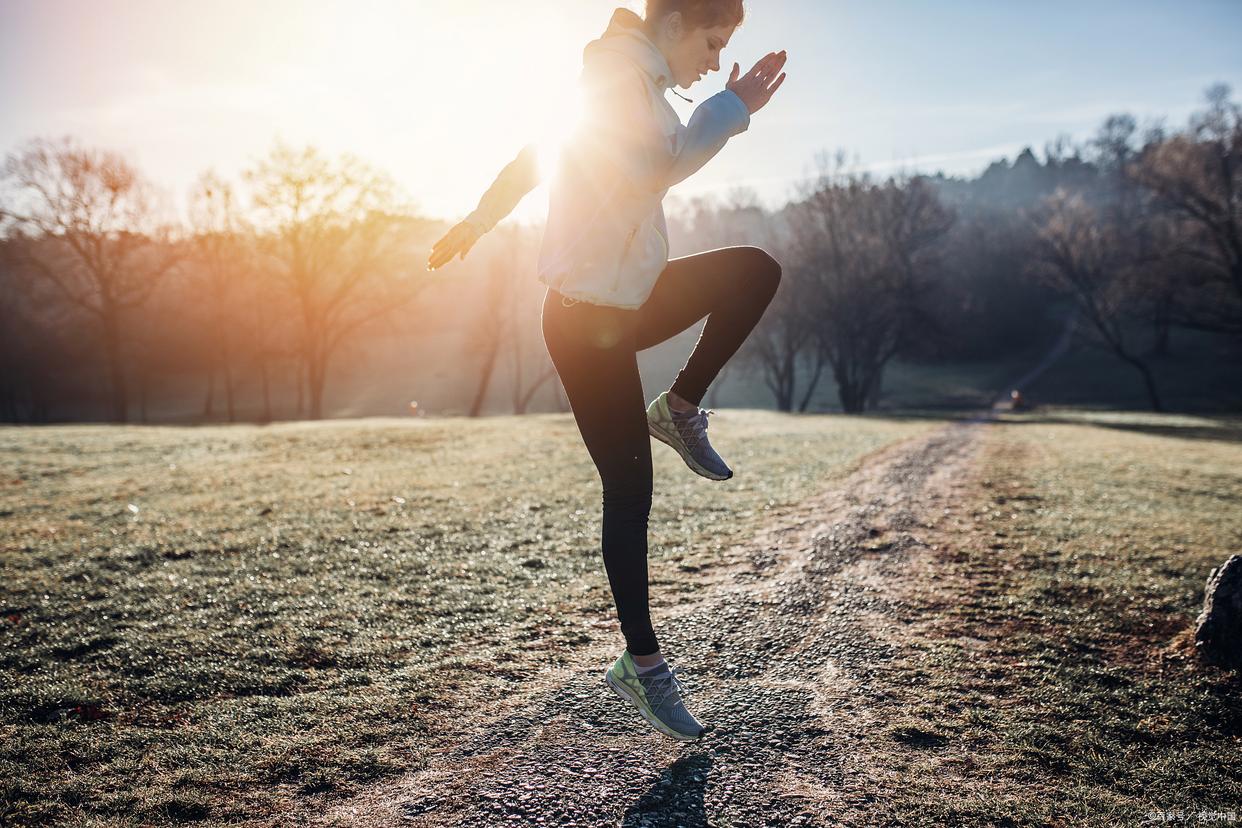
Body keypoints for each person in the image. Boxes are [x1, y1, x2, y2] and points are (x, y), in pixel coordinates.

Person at [427, 0, 787, 741]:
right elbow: (654, 165)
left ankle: (678, 408)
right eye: (714, 41)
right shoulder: (617, 78)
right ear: (680, 20)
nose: (715, 61)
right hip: (586, 319)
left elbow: (539, 156)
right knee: (630, 492)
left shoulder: (643, 84)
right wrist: (732, 106)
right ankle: (644, 665)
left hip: (634, 297)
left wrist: (475, 220)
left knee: (754, 271)